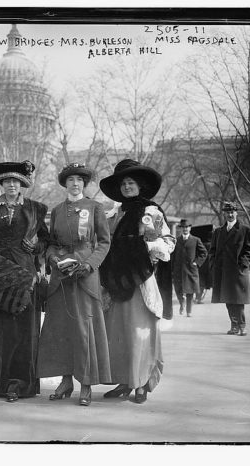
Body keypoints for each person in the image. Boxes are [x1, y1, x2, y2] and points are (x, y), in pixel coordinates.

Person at [99, 159, 175, 404]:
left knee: (140, 332)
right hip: (114, 280)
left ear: (140, 185)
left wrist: (152, 248)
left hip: (139, 280)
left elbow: (167, 241)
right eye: (123, 183)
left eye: (131, 182)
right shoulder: (113, 212)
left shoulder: (151, 211)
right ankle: (125, 380)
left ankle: (141, 383)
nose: (127, 187)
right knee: (118, 333)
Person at [0, 160, 49, 402]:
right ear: (1, 184)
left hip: (24, 272)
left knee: (21, 330)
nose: (11, 185)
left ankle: (18, 385)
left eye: (16, 181)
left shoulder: (35, 209)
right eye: (7, 181)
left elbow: (47, 240)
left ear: (22, 184)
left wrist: (37, 246)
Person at [37, 163, 111, 406]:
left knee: (83, 328)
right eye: (70, 180)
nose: (75, 183)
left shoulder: (96, 208)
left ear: (85, 183)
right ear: (65, 183)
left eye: (79, 180)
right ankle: (65, 381)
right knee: (61, 328)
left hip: (85, 274)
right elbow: (50, 243)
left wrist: (89, 265)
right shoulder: (57, 210)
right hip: (61, 275)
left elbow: (103, 243)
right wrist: (53, 259)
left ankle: (86, 383)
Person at [209, 202, 250, 336]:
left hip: (238, 271)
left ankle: (242, 326)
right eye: (227, 212)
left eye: (232, 212)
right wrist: (213, 264)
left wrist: (243, 264)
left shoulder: (245, 230)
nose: (230, 214)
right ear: (224, 213)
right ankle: (234, 326)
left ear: (237, 213)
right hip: (223, 272)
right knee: (228, 300)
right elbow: (212, 250)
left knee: (238, 301)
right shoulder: (218, 231)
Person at [171, 219, 207, 317]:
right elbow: (172, 255)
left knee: (190, 291)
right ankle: (182, 302)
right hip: (178, 269)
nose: (185, 229)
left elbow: (204, 253)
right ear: (181, 229)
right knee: (178, 289)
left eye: (187, 227)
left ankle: (189, 311)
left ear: (190, 228)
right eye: (183, 227)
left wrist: (197, 262)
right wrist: (172, 267)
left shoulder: (196, 240)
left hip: (190, 269)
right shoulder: (176, 240)